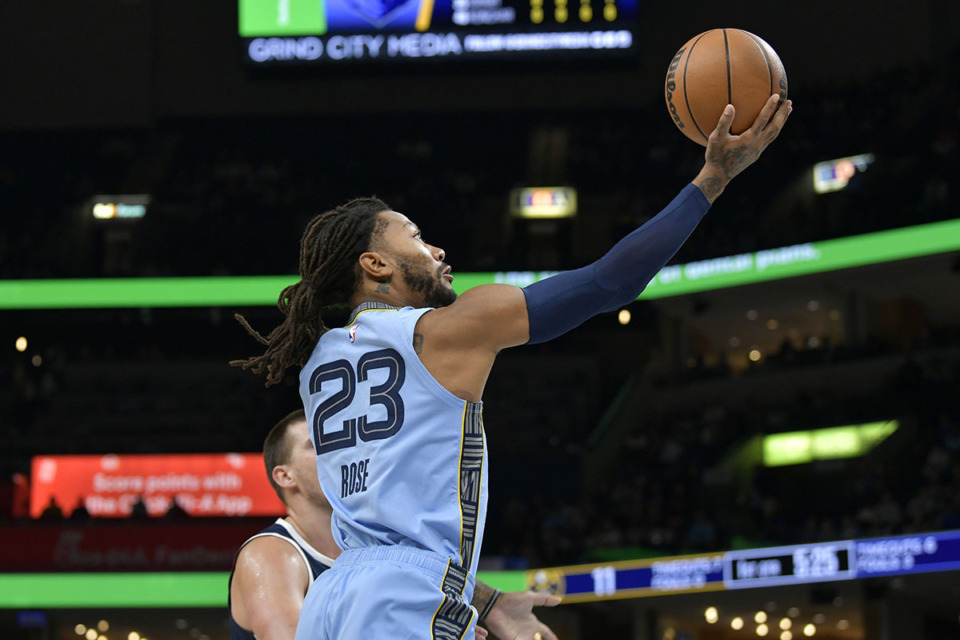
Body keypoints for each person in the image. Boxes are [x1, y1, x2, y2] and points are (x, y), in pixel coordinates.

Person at [233, 97, 792, 640]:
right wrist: (711, 180)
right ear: (375, 263)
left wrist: (490, 602)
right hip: (404, 597)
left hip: (334, 598)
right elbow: (608, 282)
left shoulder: (321, 358)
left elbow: (385, 542)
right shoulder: (444, 331)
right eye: (417, 237)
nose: (438, 250)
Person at [229, 409, 561, 640]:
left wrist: (493, 605)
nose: (338, 453)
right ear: (285, 476)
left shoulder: (372, 543)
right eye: (318, 446)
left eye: (340, 442)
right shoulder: (271, 554)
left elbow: (423, 570)